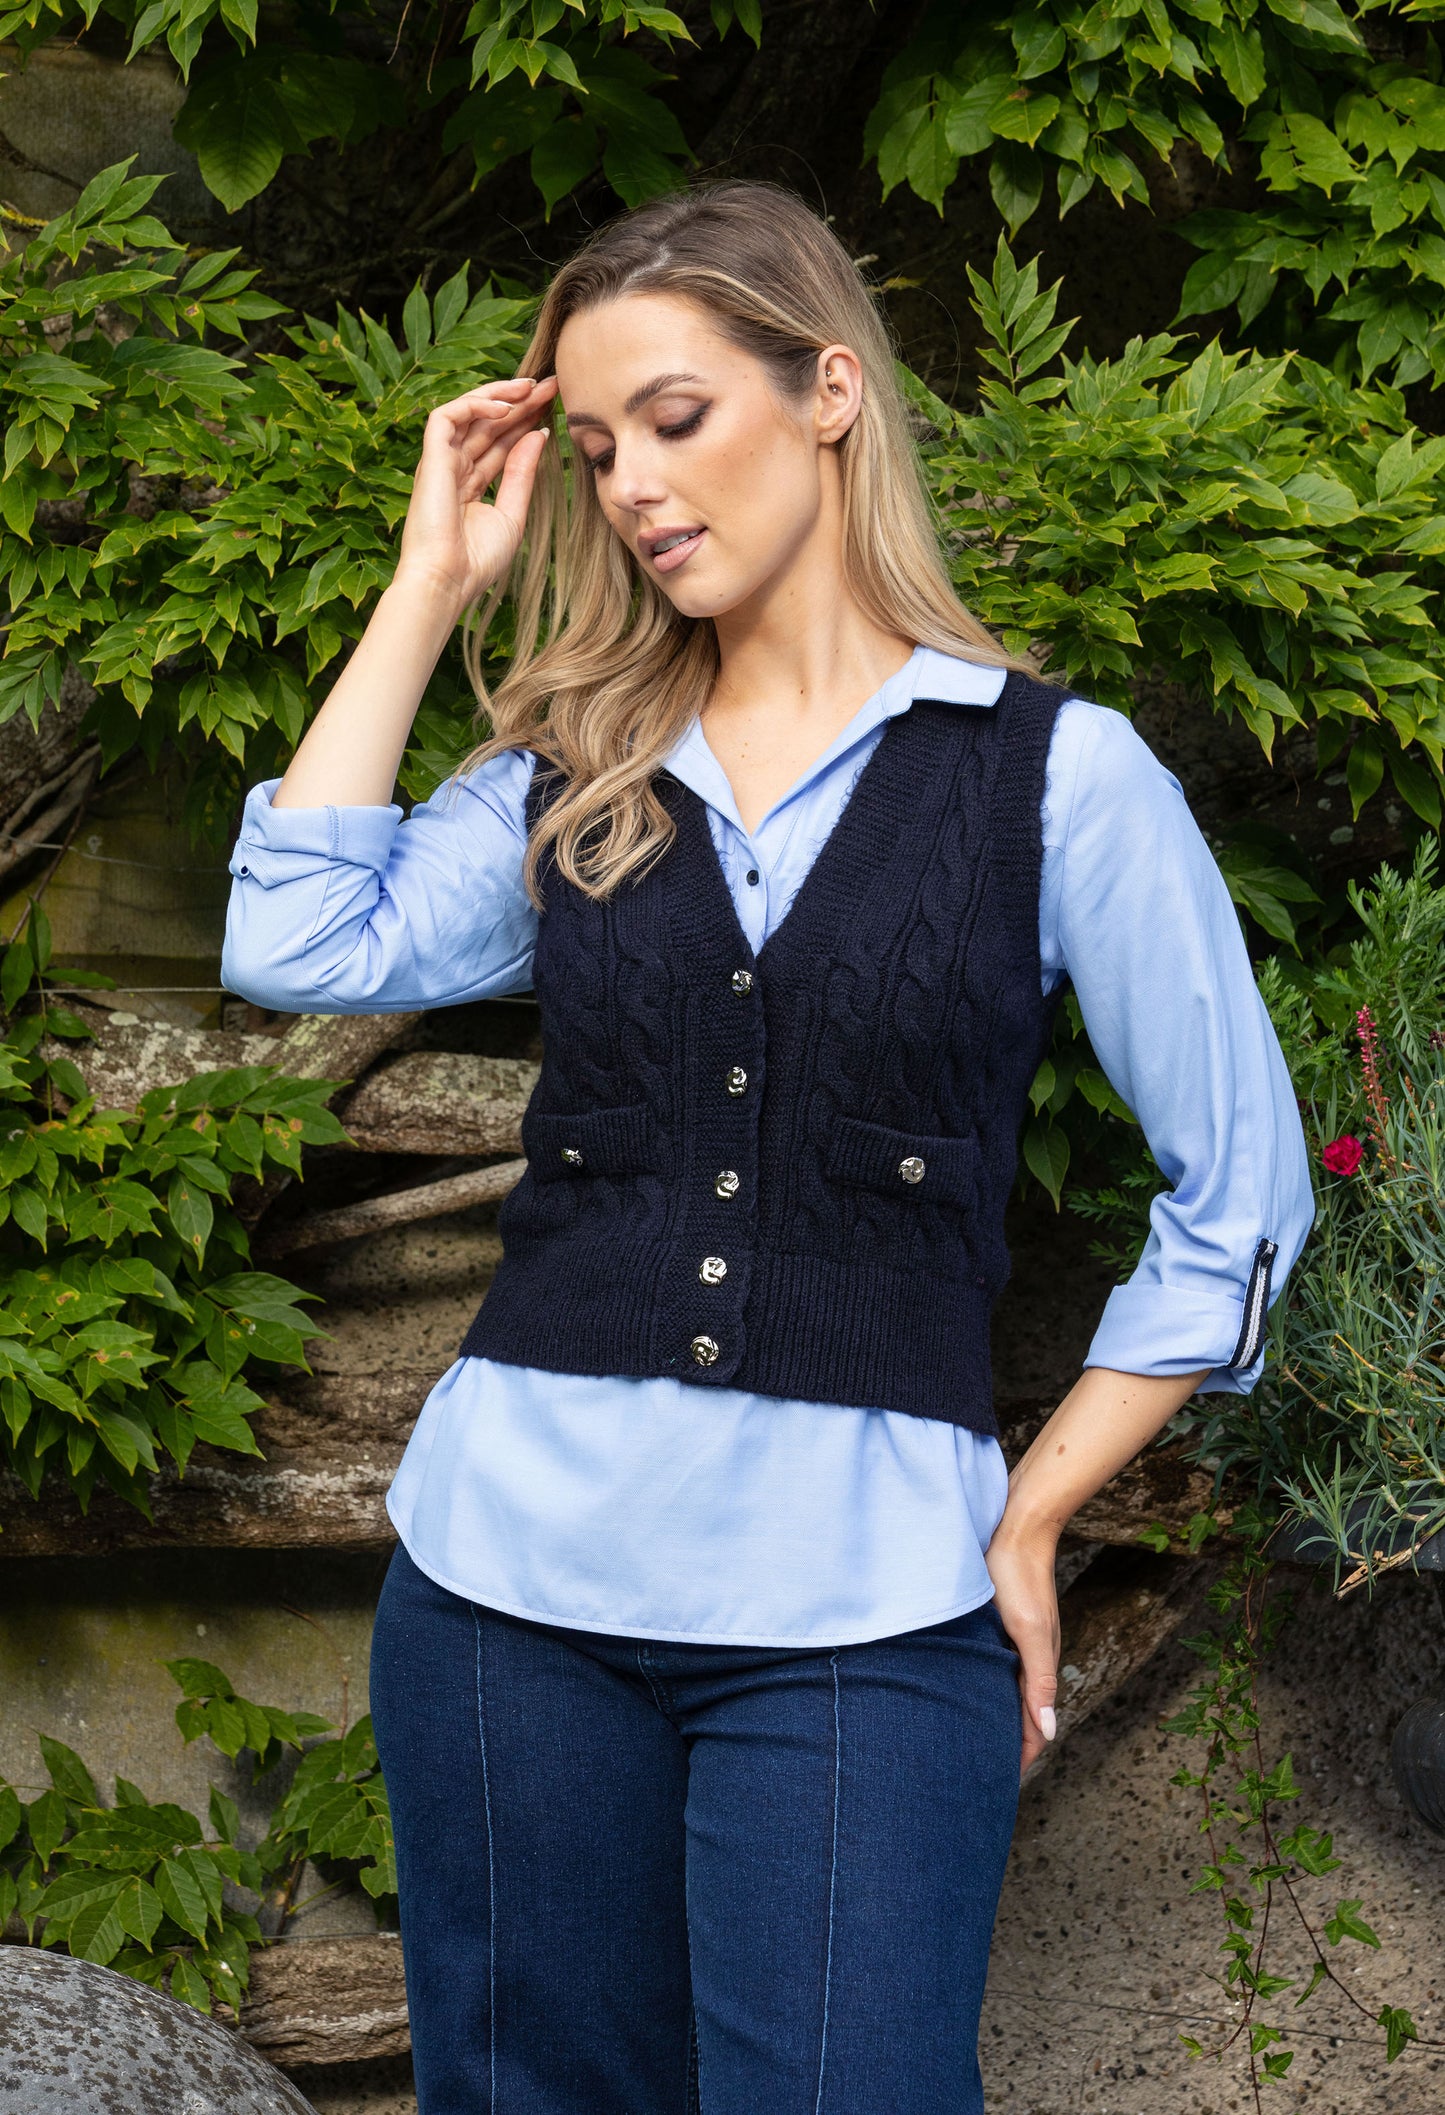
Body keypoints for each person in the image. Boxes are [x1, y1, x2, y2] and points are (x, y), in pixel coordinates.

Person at [221, 179, 1314, 2115]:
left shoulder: (1056, 777)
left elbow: (1242, 1199)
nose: (631, 482)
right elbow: (297, 942)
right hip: (505, 1605)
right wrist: (431, 588)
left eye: (674, 417)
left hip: (865, 1618)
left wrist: (1034, 1506)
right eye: (590, 445)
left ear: (827, 391)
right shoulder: (578, 765)